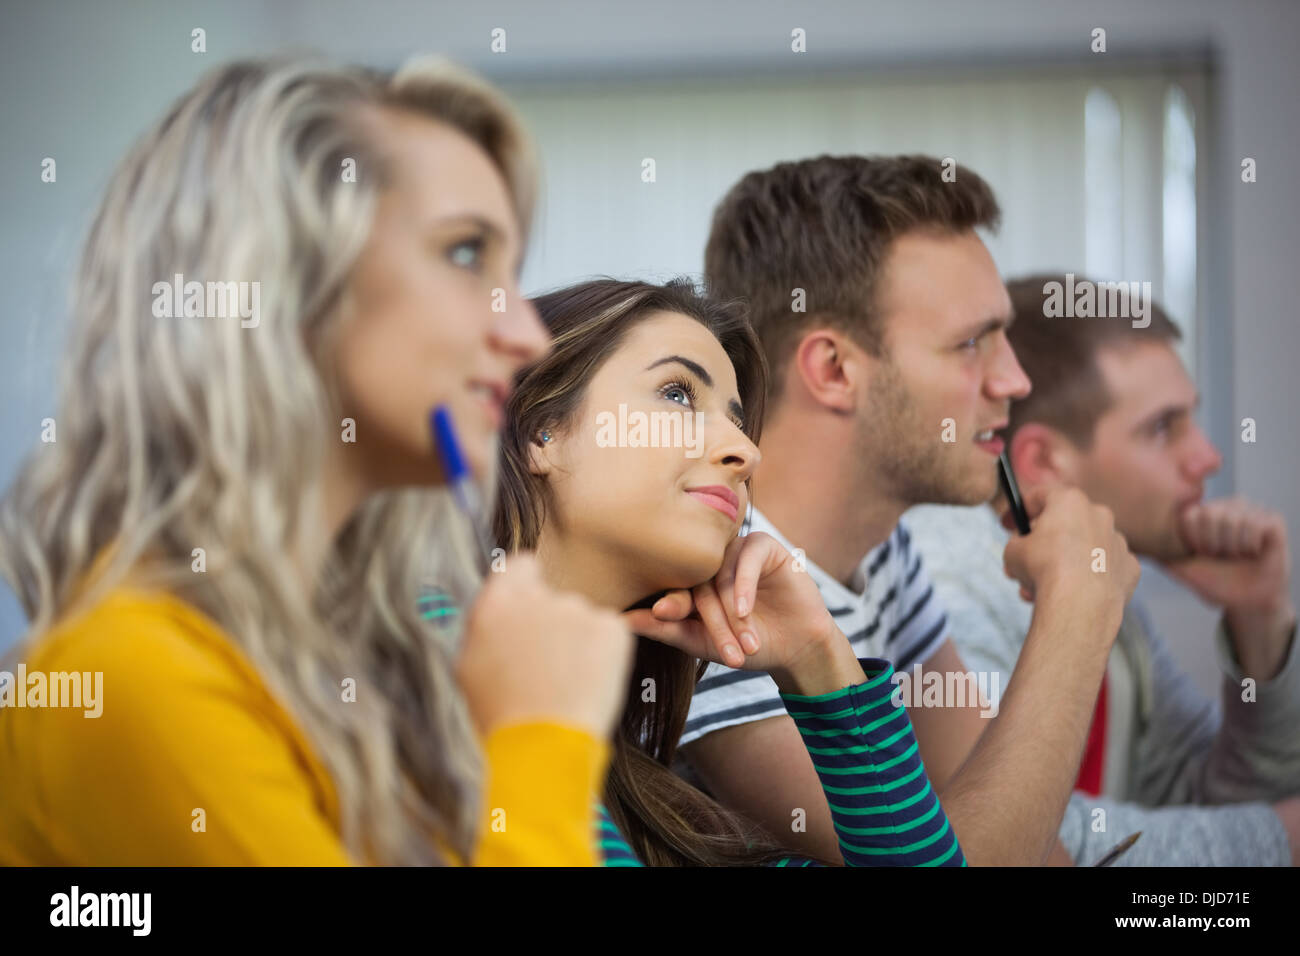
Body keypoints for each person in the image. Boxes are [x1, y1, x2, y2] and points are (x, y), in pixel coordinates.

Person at [0, 55, 635, 866]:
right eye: (468, 255)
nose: (526, 337)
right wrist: (541, 737)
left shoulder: (368, 662)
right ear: (281, 277)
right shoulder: (129, 674)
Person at [665, 154, 1141, 865]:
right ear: (834, 370)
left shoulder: (880, 551)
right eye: (971, 343)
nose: (1015, 380)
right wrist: (1078, 613)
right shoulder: (725, 589)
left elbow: (1013, 826)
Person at [494, 277, 966, 866]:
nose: (746, 452)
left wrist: (817, 657)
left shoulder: (666, 826)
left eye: (737, 421)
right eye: (676, 394)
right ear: (544, 430)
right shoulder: (411, 665)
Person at [905, 274, 1300, 865]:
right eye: (1164, 428)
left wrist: (1259, 620)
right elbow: (1018, 835)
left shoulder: (1104, 582)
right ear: (1041, 462)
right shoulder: (948, 581)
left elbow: (1205, 802)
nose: (1209, 458)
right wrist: (1278, 838)